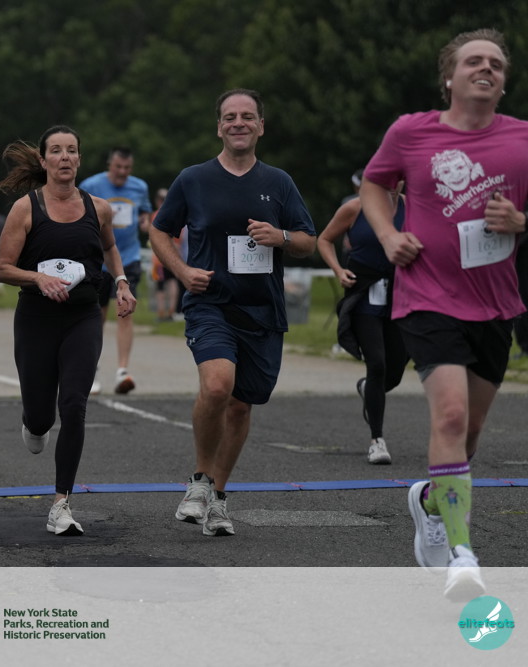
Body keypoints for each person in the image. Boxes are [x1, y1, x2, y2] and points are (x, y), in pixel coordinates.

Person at [359, 29, 528, 601]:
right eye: (473, 61)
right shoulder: (412, 132)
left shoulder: (522, 139)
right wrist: (388, 235)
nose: (486, 69)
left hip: (495, 303)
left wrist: (521, 223)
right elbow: (375, 185)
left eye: (496, 64)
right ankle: (463, 554)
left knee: (469, 433)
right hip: (427, 296)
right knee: (450, 417)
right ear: (449, 77)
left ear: (503, 82)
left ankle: (431, 500)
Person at [149, 89, 316, 537]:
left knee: (241, 406)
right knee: (218, 385)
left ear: (261, 125)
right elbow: (159, 231)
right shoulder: (194, 179)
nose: (238, 122)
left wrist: (280, 236)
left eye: (247, 116)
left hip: (261, 310)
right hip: (211, 304)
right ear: (219, 127)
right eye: (229, 117)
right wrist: (183, 271)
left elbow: (308, 240)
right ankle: (200, 481)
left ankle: (218, 497)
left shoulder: (278, 182)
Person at [0, 125, 137, 535]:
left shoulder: (99, 208)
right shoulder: (25, 209)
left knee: (73, 405)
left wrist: (121, 281)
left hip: (83, 317)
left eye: (72, 150)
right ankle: (33, 422)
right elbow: (2, 268)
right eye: (56, 150)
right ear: (44, 160)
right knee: (42, 417)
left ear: (79, 159)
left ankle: (61, 504)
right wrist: (38, 278)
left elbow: (110, 247)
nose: (65, 157)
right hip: (36, 319)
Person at [317, 182, 409, 464]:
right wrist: (338, 270)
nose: (392, 182)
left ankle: (369, 387)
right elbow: (324, 239)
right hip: (364, 295)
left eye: (398, 176)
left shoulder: (414, 207)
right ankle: (377, 440)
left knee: (394, 371)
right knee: (377, 364)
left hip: (401, 296)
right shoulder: (355, 207)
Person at [79, 147, 152, 394]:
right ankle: (92, 370)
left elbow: (144, 212)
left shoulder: (139, 187)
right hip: (98, 260)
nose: (122, 172)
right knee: (96, 315)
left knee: (125, 311)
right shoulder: (91, 185)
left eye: (127, 168)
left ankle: (122, 371)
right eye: (118, 167)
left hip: (128, 258)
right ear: (109, 165)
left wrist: (145, 222)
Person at [149, 187, 181, 322]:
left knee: (161, 286)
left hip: (160, 256)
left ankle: (162, 314)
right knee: (173, 283)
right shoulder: (176, 214)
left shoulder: (156, 215)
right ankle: (171, 313)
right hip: (174, 254)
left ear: (157, 201)